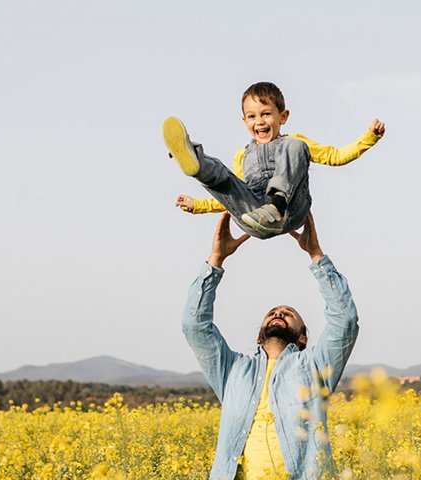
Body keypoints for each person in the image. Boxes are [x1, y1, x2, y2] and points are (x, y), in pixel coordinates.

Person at [182, 212, 359, 479]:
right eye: (273, 311)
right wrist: (216, 260)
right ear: (258, 336)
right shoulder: (232, 370)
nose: (279, 313)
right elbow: (195, 326)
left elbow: (345, 321)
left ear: (303, 338)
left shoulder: (315, 367)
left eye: (289, 313)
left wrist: (316, 256)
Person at [164, 81, 385, 238]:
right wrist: (197, 205)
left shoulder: (293, 143)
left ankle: (277, 204)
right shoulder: (243, 155)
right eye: (252, 116)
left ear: (283, 116)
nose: (259, 121)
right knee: (225, 176)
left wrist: (370, 137)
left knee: (296, 145)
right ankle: (197, 162)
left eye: (266, 114)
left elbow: (336, 156)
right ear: (244, 121)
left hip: (290, 211)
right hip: (253, 215)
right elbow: (231, 195)